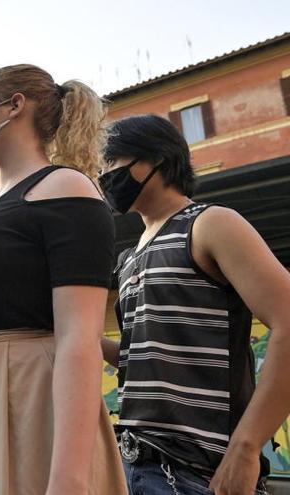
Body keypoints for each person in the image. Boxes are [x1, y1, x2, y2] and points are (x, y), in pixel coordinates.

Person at [0, 64, 126, 494]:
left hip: (29, 398)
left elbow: (78, 338)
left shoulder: (65, 186)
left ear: (14, 106)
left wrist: (69, 477)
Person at [99, 114, 290, 495]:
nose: (105, 177)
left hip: (199, 476)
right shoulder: (127, 259)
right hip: (133, 465)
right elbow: (142, 358)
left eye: (112, 163)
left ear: (155, 159)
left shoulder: (210, 224)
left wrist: (248, 445)